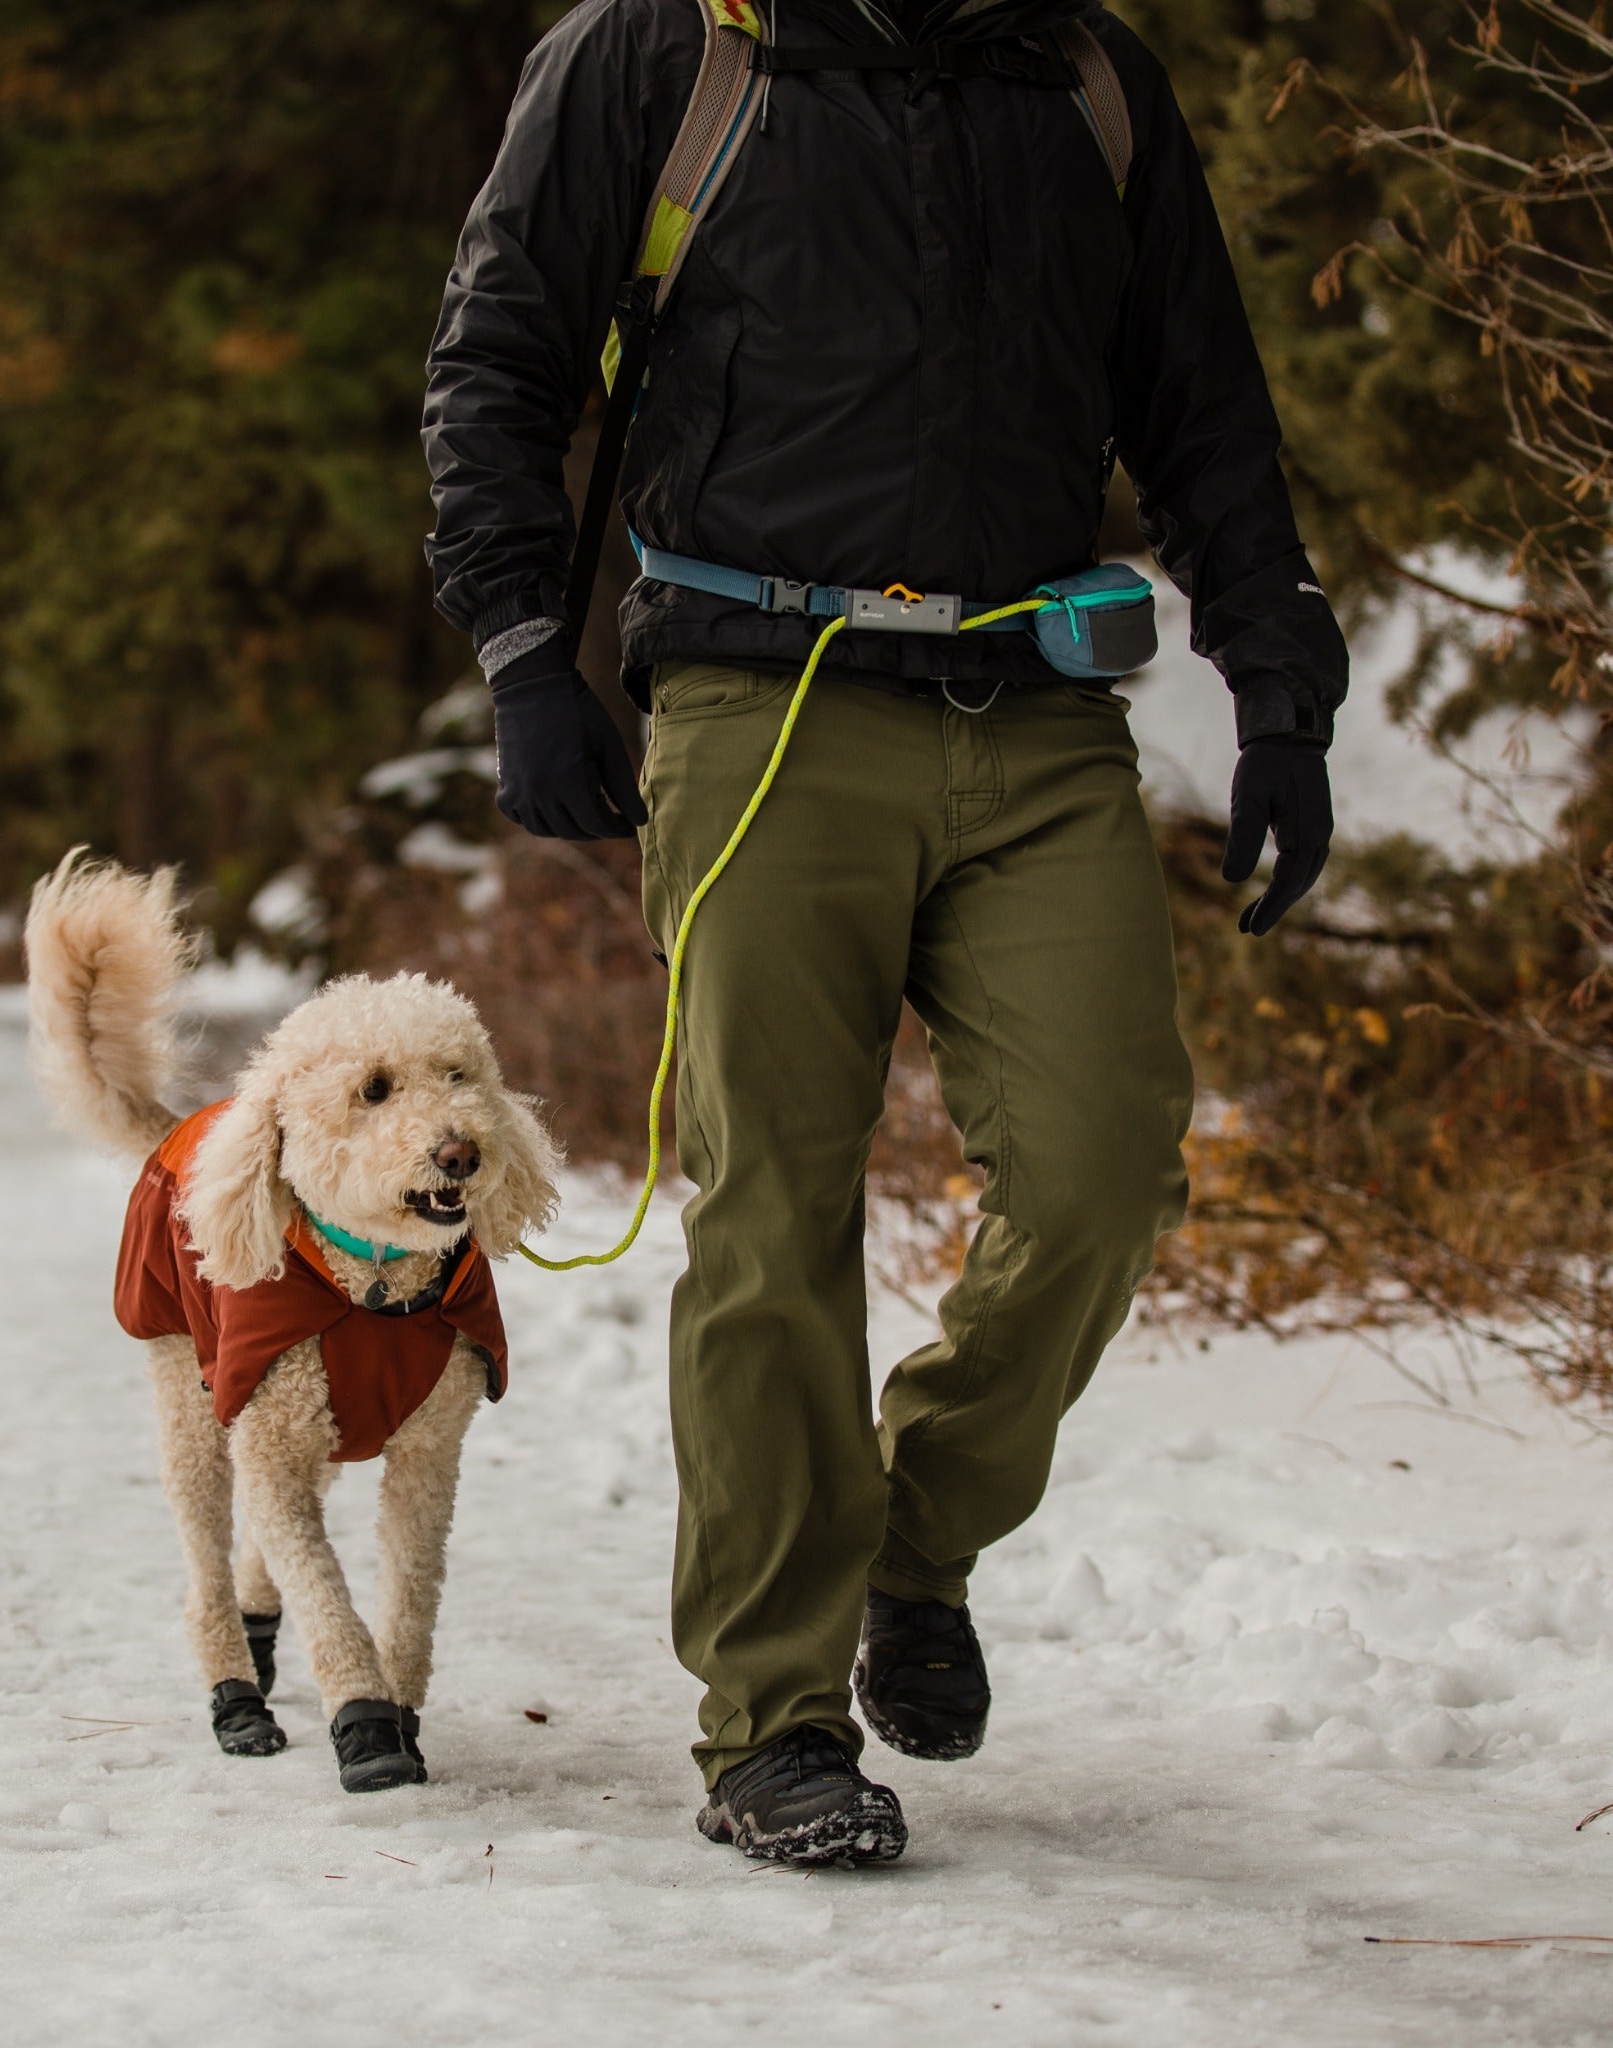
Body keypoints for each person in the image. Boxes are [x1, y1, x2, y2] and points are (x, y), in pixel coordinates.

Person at [423, 0, 1344, 1866]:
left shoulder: (1080, 73)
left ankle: (914, 1543)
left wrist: (1283, 687)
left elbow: (1201, 399)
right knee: (773, 1218)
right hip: (764, 708)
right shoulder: (664, 53)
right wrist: (527, 645)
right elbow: (500, 354)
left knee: (1101, 1170)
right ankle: (769, 1721)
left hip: (1037, 708)